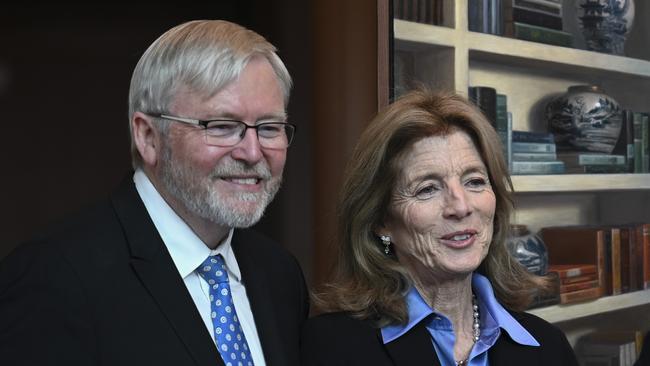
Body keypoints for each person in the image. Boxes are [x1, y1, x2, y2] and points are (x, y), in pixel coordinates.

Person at [0, 20, 308, 366]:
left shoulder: (279, 275)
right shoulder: (56, 276)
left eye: (269, 128)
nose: (252, 153)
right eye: (222, 126)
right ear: (148, 136)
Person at [301, 90, 578, 365]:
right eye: (427, 189)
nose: (460, 206)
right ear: (380, 221)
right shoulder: (330, 348)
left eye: (475, 181)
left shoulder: (548, 346)